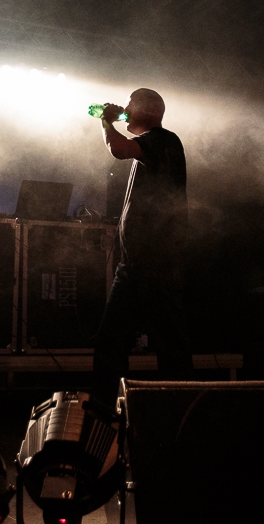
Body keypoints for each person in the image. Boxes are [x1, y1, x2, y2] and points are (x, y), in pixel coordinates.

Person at [92, 88, 194, 407]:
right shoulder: (153, 145)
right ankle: (116, 413)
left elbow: (118, 149)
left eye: (131, 103)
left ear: (148, 110)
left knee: (155, 345)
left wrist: (106, 121)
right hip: (140, 264)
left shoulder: (162, 139)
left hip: (151, 263)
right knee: (123, 343)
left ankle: (175, 412)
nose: (126, 107)